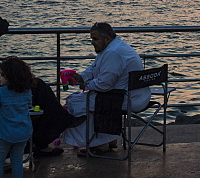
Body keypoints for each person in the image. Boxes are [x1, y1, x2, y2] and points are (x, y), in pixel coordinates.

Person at [60, 22, 148, 153]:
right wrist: (81, 77)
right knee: (83, 100)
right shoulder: (112, 48)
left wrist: (85, 85)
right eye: (91, 39)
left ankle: (99, 143)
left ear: (107, 38)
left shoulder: (113, 53)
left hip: (123, 98)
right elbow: (94, 68)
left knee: (75, 103)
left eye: (95, 39)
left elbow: (104, 85)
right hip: (130, 94)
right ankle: (108, 139)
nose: (92, 42)